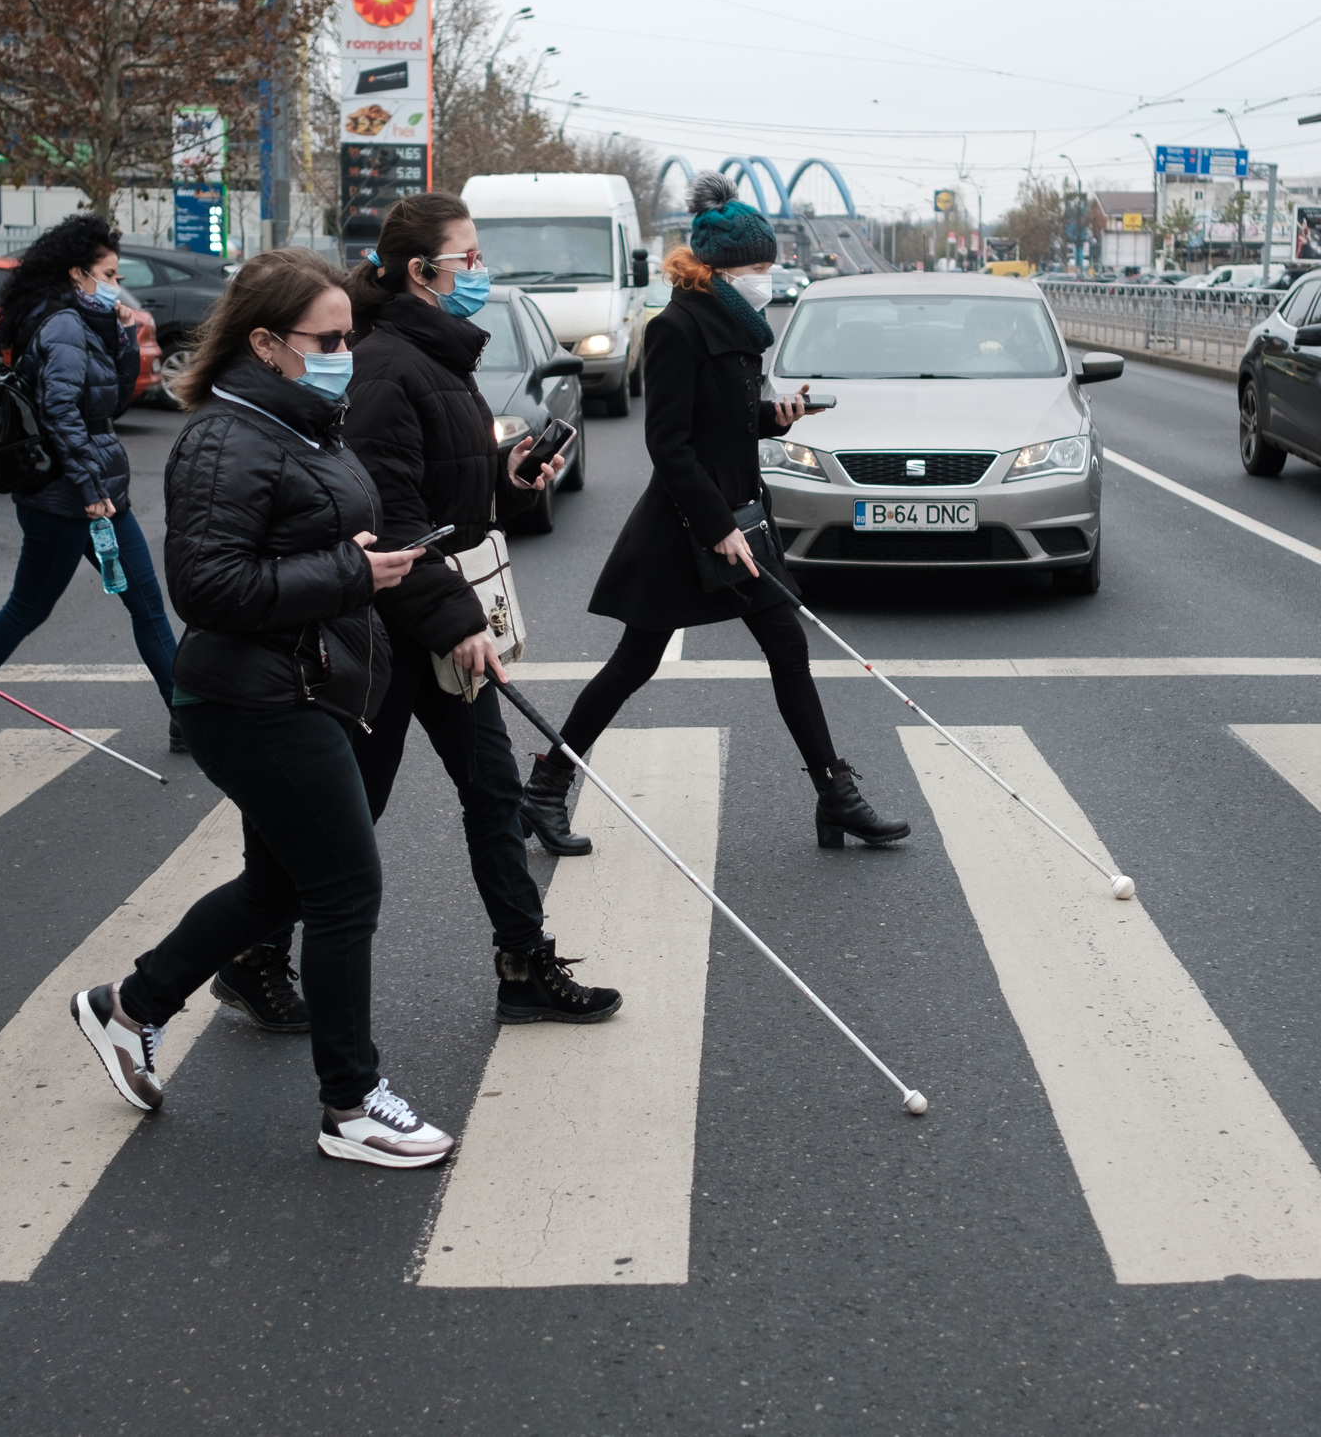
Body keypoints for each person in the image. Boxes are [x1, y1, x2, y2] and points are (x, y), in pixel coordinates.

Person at [70, 246, 455, 1169]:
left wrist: (363, 558)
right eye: (327, 339)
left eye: (347, 336)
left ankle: (129, 1006)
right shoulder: (223, 438)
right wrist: (350, 570)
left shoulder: (299, 423)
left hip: (302, 680)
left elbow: (307, 536)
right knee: (345, 888)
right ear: (266, 342)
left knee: (285, 884)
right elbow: (207, 586)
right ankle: (352, 1103)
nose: (344, 352)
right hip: (252, 696)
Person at [240, 189, 616, 1030]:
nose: (481, 272)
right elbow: (389, 518)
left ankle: (523, 962)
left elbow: (443, 485)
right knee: (348, 813)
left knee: (490, 790)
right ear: (421, 270)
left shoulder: (436, 353)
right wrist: (457, 622)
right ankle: (255, 951)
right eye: (468, 259)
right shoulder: (383, 366)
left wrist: (505, 478)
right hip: (389, 630)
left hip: (433, 610)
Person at [523, 172, 909, 852]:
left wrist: (776, 417)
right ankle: (547, 787)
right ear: (727, 268)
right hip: (688, 526)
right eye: (762, 265)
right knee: (633, 663)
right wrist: (716, 525)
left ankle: (835, 794)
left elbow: (725, 422)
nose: (771, 275)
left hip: (737, 515)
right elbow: (668, 444)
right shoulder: (677, 326)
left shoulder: (737, 325)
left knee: (787, 646)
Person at [0, 214, 183, 763]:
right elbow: (61, 411)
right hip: (67, 498)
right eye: (107, 275)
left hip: (95, 490)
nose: (115, 285)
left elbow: (111, 400)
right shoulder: (60, 325)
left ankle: (189, 718)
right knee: (27, 610)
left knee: (147, 608)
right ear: (77, 274)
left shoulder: (82, 321)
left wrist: (123, 330)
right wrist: (86, 487)